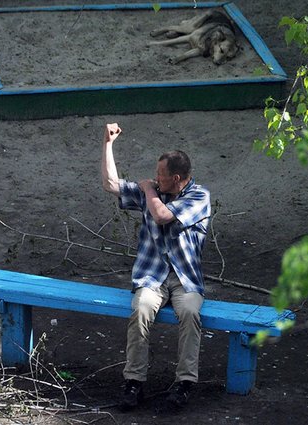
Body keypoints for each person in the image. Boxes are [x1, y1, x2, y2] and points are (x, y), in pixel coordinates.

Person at [100, 123, 211, 411]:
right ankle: (134, 381)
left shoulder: (198, 197)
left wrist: (149, 190)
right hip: (152, 276)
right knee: (141, 308)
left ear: (176, 178)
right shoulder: (156, 192)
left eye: (160, 175)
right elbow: (111, 184)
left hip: (185, 279)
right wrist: (107, 145)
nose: (155, 178)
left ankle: (184, 383)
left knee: (189, 312)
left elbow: (162, 216)